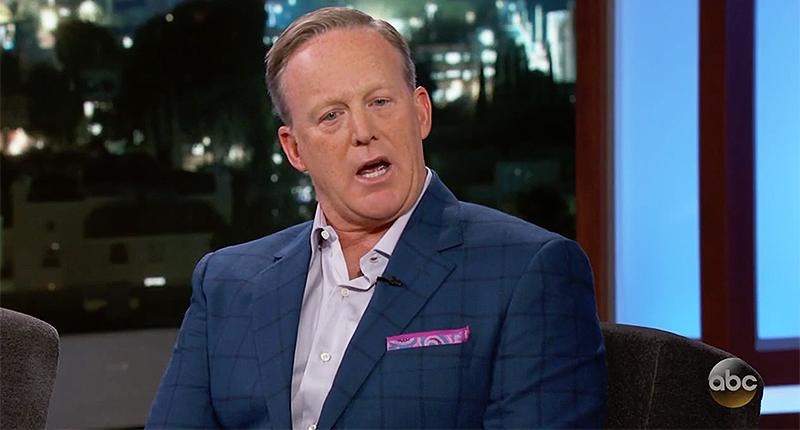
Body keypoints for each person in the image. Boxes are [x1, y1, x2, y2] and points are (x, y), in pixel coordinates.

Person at [146, 7, 606, 429]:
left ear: (420, 112)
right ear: (294, 149)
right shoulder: (226, 283)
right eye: (331, 115)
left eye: (380, 102)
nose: (363, 132)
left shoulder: (526, 270)